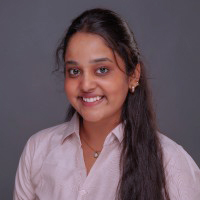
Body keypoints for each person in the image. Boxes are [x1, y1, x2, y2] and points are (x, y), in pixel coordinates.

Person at [13, 8, 200, 200]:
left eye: (102, 69)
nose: (86, 85)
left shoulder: (170, 162)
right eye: (74, 71)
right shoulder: (38, 150)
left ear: (133, 76)